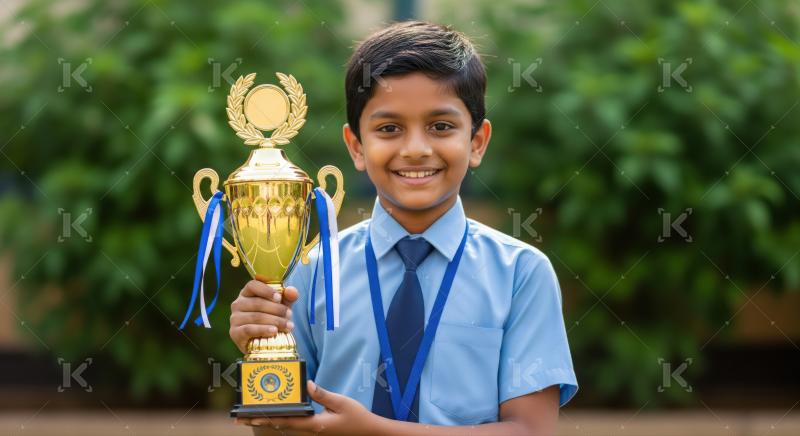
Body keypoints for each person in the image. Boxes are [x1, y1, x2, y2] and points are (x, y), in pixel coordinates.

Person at [230, 20, 577, 435]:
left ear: (477, 142)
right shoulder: (310, 270)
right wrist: (260, 350)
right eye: (389, 128)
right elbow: (277, 428)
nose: (415, 149)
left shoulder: (521, 274)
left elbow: (530, 431)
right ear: (356, 146)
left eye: (441, 126)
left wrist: (373, 430)